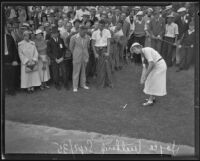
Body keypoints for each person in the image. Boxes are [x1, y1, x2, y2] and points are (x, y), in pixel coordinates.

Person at [91, 20, 113, 88]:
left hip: (104, 50)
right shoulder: (94, 32)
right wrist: (95, 53)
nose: (101, 27)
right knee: (99, 67)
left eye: (102, 25)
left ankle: (107, 83)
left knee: (106, 66)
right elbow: (92, 44)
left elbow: (108, 42)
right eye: (100, 25)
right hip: (97, 50)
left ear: (104, 25)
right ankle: (101, 83)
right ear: (98, 25)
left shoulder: (107, 31)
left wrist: (108, 52)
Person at [69, 25, 90, 92]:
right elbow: (71, 48)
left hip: (85, 56)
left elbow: (87, 46)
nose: (85, 34)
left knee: (84, 71)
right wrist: (75, 54)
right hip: (77, 57)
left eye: (86, 32)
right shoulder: (73, 37)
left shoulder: (87, 37)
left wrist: (86, 54)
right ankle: (75, 86)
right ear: (80, 30)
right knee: (76, 72)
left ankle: (83, 84)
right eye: (84, 32)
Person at [4, 22, 20, 95]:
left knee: (11, 75)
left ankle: (11, 89)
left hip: (10, 58)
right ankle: (6, 89)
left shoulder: (10, 37)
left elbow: (14, 50)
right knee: (4, 75)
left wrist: (15, 60)